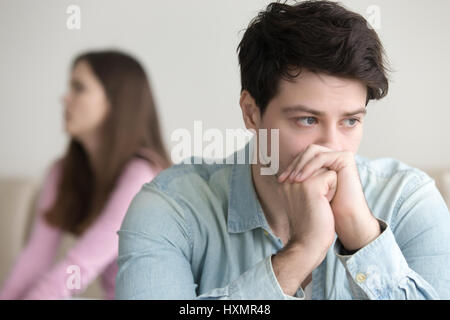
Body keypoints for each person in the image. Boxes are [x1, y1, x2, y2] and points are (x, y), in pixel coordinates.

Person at [115, 1, 450, 299]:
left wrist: (362, 237)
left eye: (350, 121)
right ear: (251, 112)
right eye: (307, 120)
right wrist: (301, 253)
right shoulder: (172, 208)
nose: (332, 148)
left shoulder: (408, 201)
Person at [0, 50, 171, 299]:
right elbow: (34, 260)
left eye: (79, 88)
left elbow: (80, 267)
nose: (65, 98)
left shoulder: (142, 176)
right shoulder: (62, 171)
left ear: (116, 102)